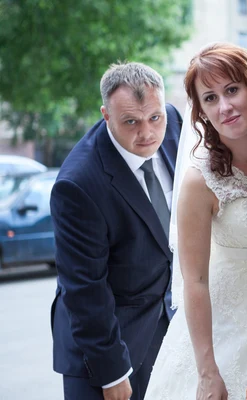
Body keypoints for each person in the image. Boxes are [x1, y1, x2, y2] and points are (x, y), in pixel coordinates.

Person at [50, 62, 182, 400]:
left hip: (166, 329)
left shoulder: (173, 122)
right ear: (106, 115)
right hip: (103, 346)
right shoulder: (78, 184)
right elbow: (84, 288)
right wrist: (111, 373)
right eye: (131, 122)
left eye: (154, 117)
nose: (147, 133)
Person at [145, 43, 247, 399]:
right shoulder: (201, 182)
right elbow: (193, 281)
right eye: (210, 98)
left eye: (232, 90)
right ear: (200, 110)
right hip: (222, 330)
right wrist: (208, 371)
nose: (224, 107)